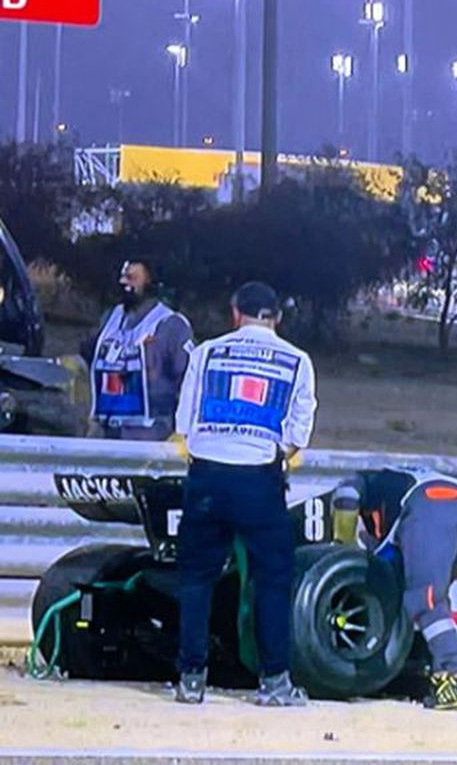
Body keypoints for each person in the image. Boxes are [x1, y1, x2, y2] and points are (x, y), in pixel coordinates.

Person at [172, 282, 316, 707]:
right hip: (259, 479)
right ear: (277, 317)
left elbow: (184, 421)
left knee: (196, 578)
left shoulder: (207, 353)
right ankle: (274, 683)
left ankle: (191, 679)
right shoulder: (298, 360)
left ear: (235, 313)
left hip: (207, 478)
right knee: (272, 580)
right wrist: (274, 455)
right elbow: (298, 434)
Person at [332, 468, 457, 710]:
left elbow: (346, 492)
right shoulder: (396, 483)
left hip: (432, 505)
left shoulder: (364, 481)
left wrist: (342, 545)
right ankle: (443, 676)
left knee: (423, 599)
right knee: (437, 595)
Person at [81, 259, 194, 441]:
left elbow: (190, 379)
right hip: (105, 431)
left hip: (150, 434)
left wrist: (182, 430)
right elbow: (88, 355)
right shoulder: (110, 318)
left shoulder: (171, 325)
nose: (123, 283)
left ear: (151, 282)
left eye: (131, 278)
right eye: (123, 277)